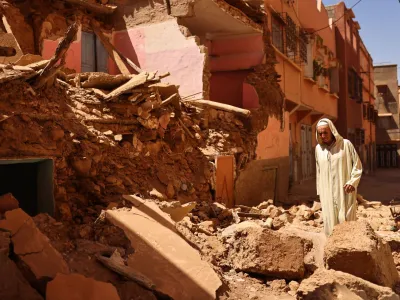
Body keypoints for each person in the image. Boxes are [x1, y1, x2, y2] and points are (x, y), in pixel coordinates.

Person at [315, 118, 363, 236]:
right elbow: (318, 171)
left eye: (325, 132)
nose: (323, 135)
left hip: (344, 190)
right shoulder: (318, 149)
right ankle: (332, 249)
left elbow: (357, 165)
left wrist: (353, 182)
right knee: (330, 221)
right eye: (320, 133)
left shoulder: (346, 145)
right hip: (327, 192)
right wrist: (320, 191)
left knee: (347, 220)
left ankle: (350, 249)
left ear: (332, 130)